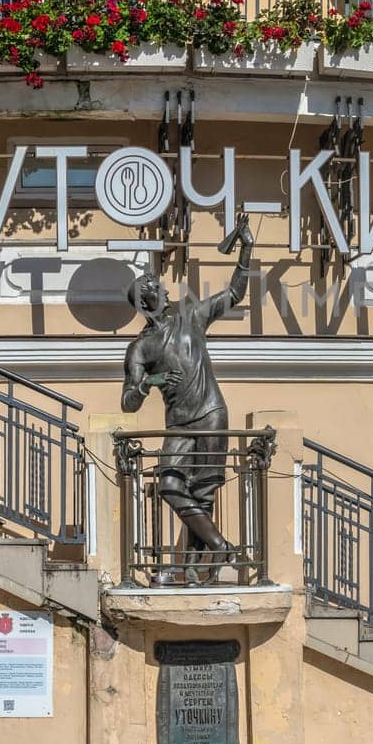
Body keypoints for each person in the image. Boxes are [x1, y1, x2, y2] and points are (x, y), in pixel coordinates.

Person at [122, 214, 255, 579]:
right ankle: (222, 548)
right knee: (170, 484)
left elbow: (234, 294)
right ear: (146, 297)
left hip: (211, 413)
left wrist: (246, 249)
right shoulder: (140, 348)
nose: (163, 286)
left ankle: (187, 571)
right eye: (155, 283)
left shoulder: (191, 317)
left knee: (204, 494)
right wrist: (153, 381)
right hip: (179, 423)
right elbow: (128, 400)